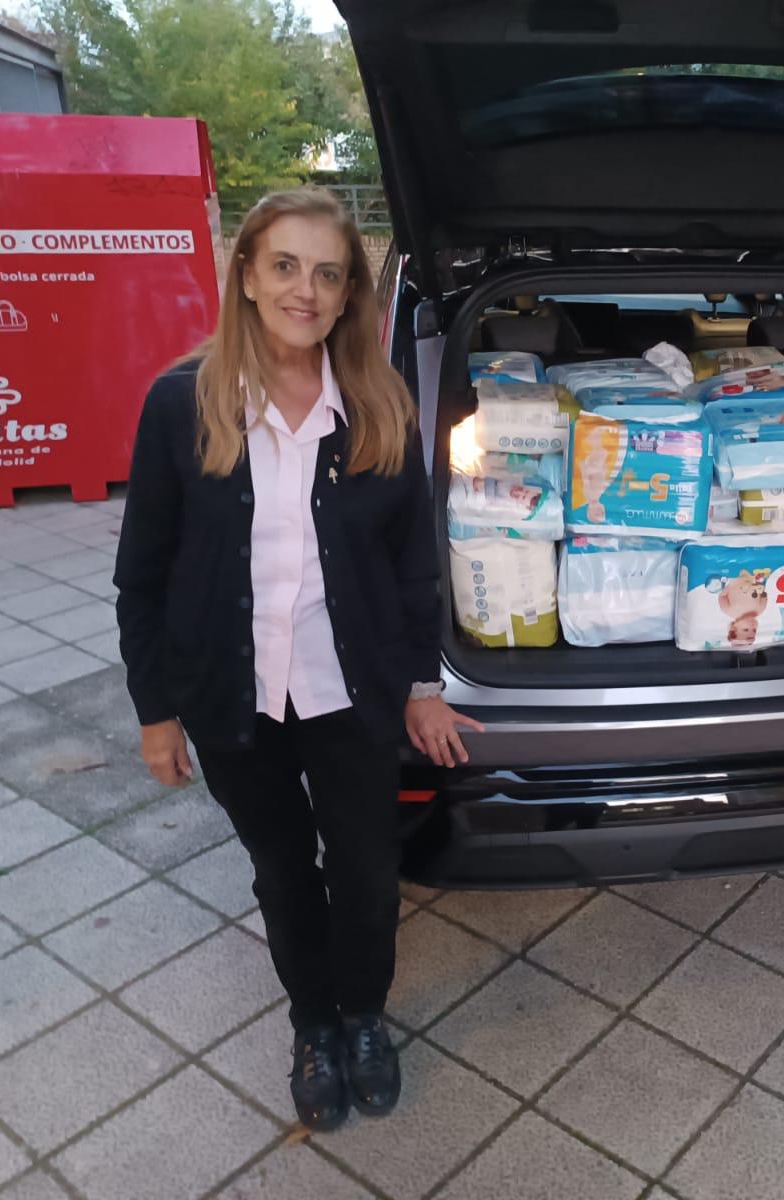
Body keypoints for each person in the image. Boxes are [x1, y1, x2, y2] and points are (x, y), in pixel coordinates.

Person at [115, 188, 483, 1128]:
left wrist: (418, 685)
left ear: (349, 292)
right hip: (231, 702)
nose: (305, 290)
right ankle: (312, 1022)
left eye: (327, 273)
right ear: (245, 274)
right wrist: (157, 711)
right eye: (284, 266)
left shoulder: (378, 410)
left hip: (348, 693)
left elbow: (410, 566)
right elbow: (142, 575)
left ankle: (363, 1015)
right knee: (282, 871)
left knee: (364, 870)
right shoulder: (179, 406)